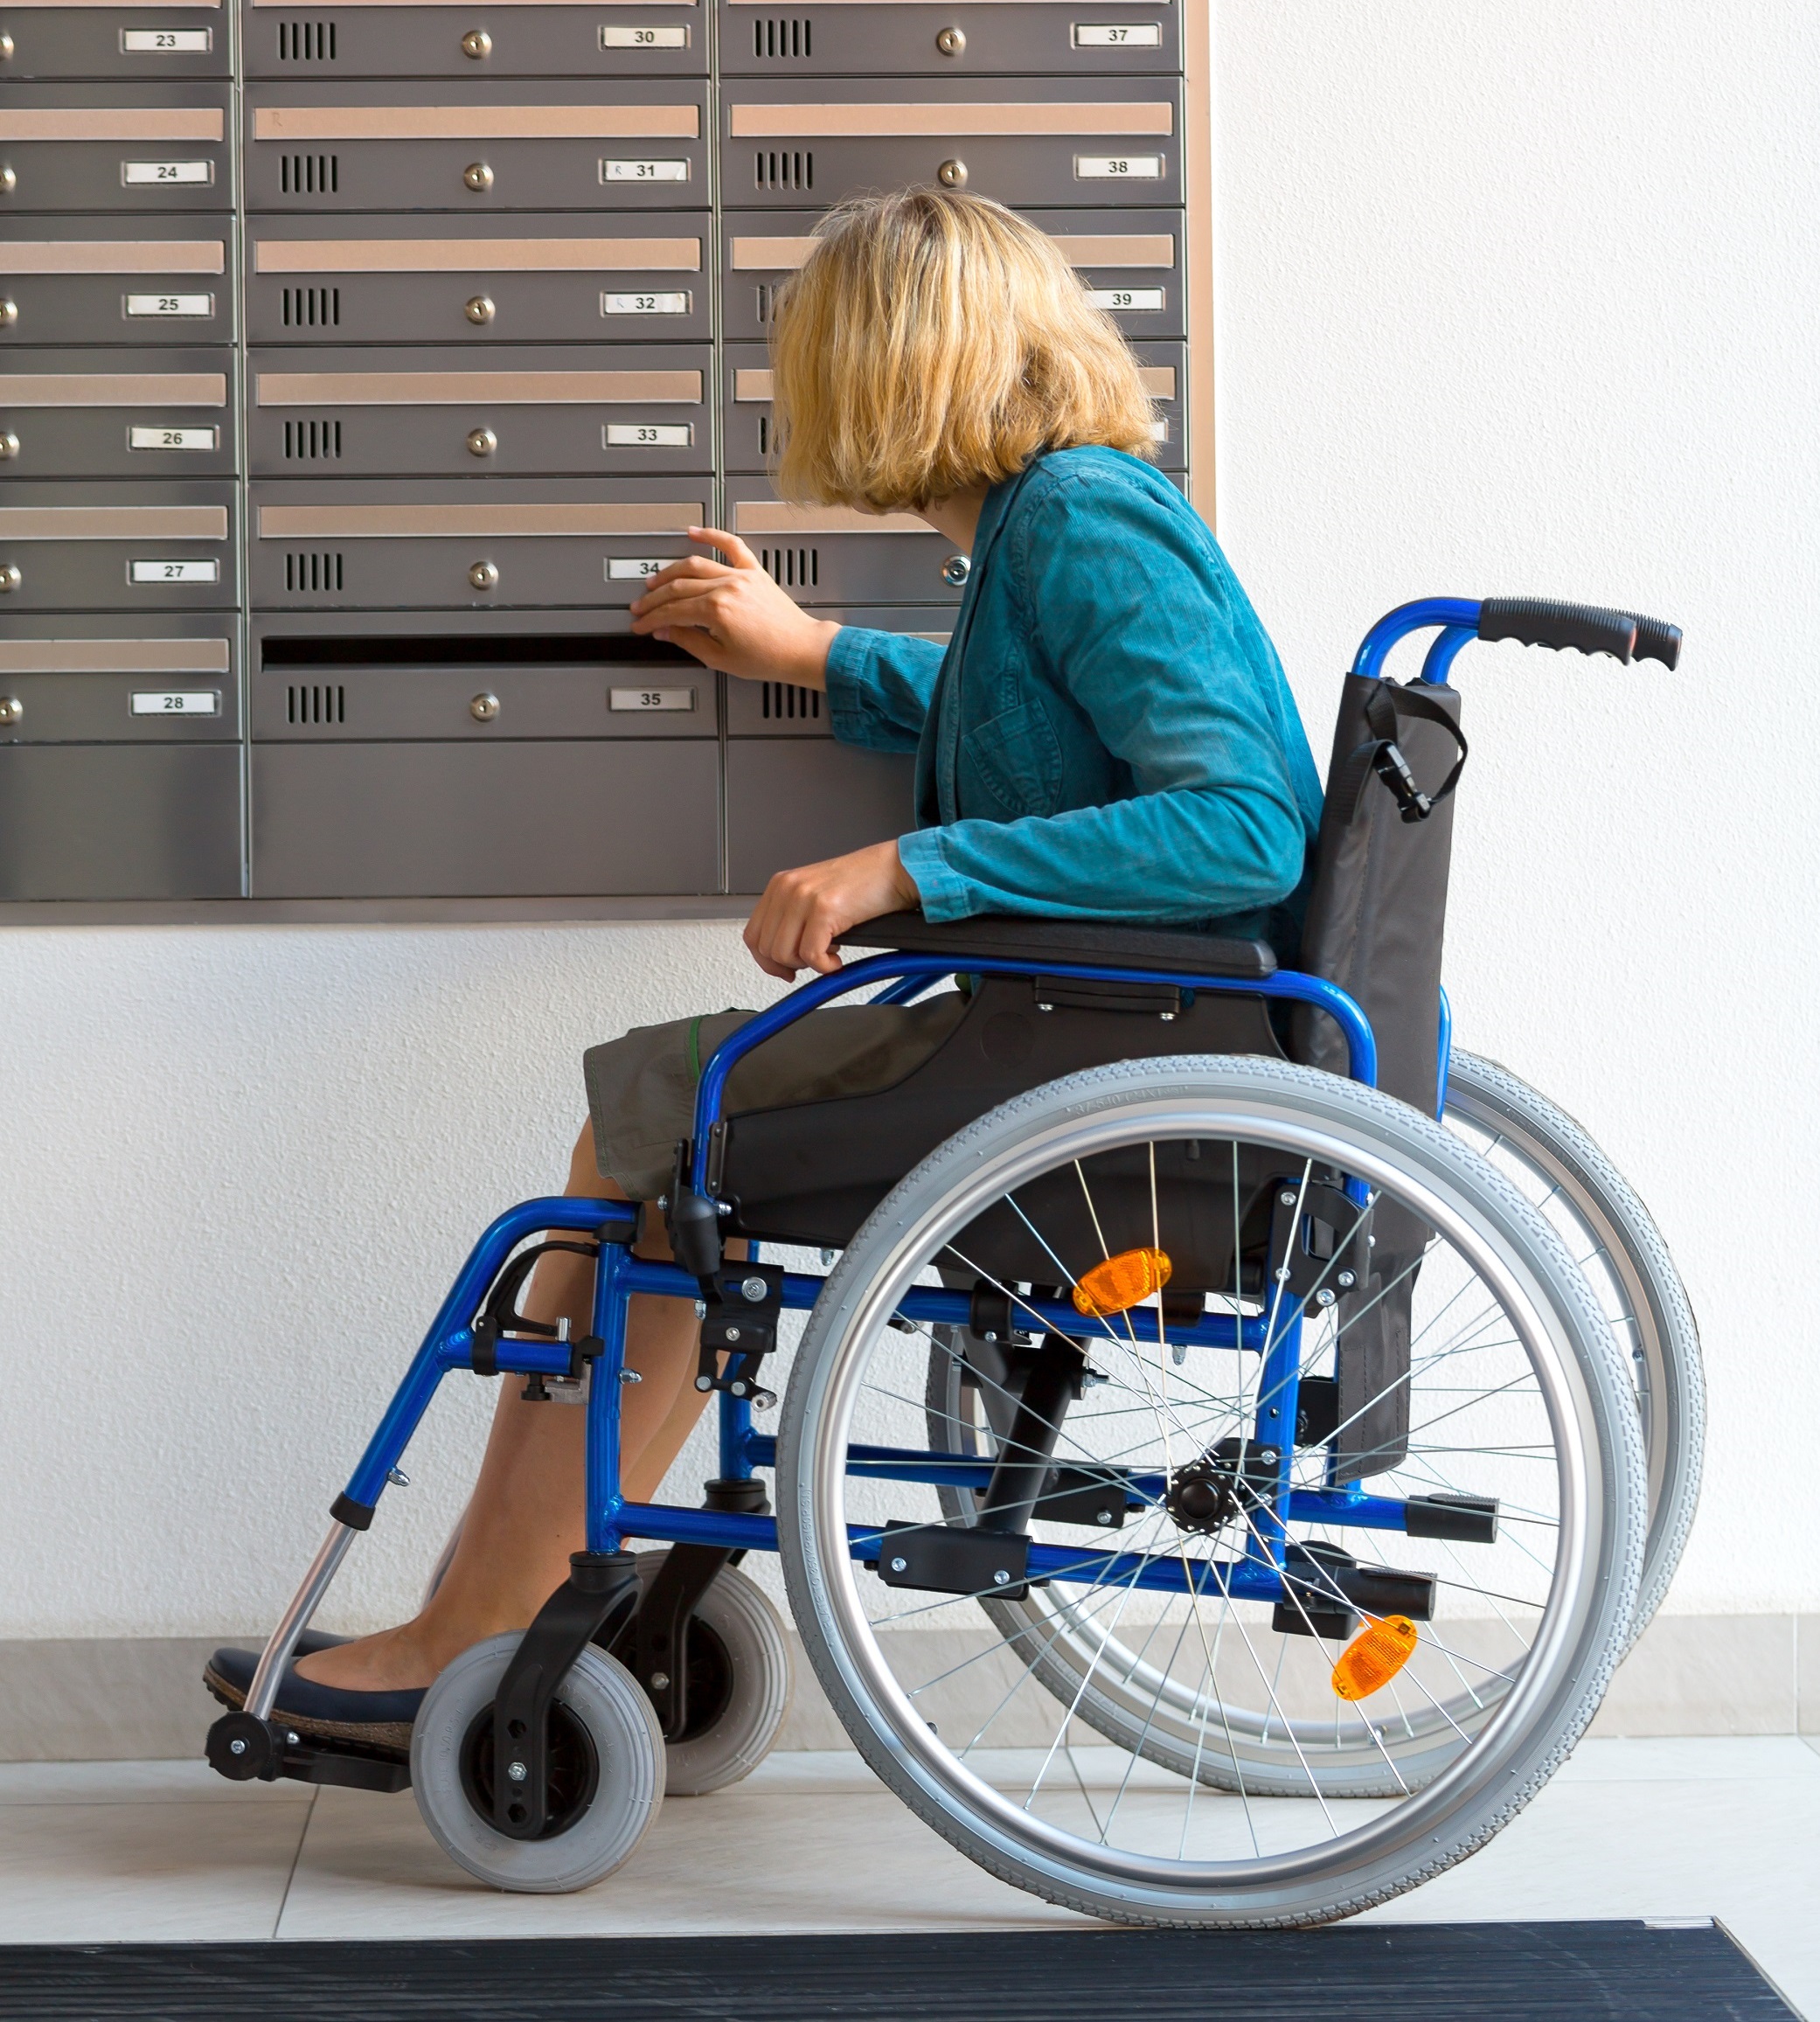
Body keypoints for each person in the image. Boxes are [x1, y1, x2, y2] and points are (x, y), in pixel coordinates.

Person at [204, 188, 1323, 1749]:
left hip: (1087, 1060)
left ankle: (474, 1630)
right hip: (1090, 1039)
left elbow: (1242, 825)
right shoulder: (1050, 527)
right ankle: (501, 1604)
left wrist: (911, 865)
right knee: (658, 1128)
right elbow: (1029, 708)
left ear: (887, 368)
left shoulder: (1077, 514)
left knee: (656, 1126)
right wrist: (814, 654)